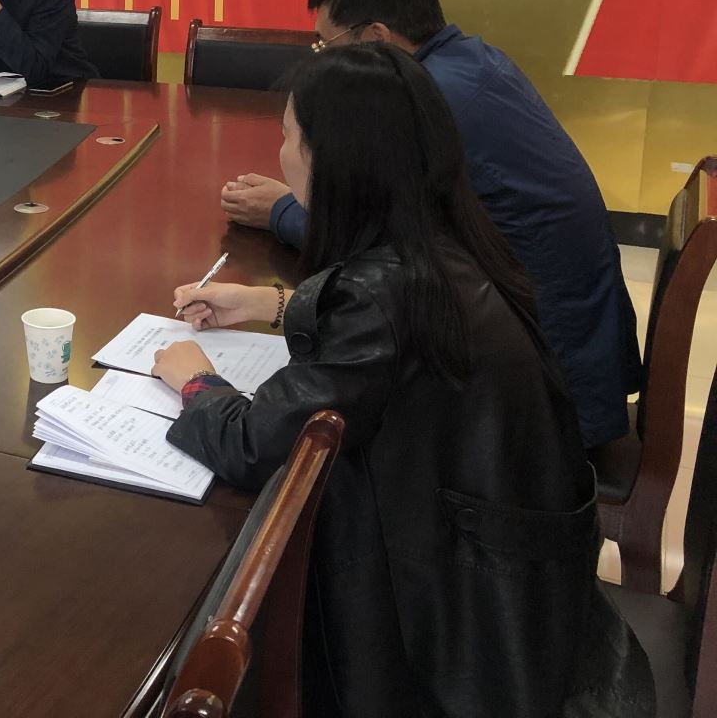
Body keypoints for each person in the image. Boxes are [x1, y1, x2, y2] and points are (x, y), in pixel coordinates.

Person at [156, 44, 651, 718]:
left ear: (337, 160)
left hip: (463, 632)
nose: (282, 154)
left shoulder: (383, 295)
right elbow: (394, 344)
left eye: (290, 135)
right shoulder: (447, 237)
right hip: (532, 594)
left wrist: (196, 381)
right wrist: (270, 303)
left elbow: (254, 444)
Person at [220, 0, 639, 448]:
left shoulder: (427, 100)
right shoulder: (472, 60)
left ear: (376, 37)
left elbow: (379, 240)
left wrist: (282, 211)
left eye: (326, 44)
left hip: (539, 393)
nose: (322, 58)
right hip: (560, 343)